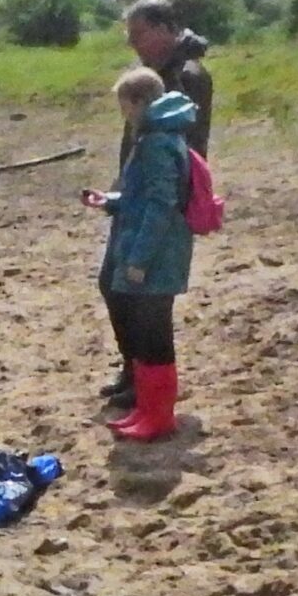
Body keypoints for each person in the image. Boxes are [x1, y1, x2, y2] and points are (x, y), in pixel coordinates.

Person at [101, 0, 215, 407]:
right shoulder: (154, 73)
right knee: (114, 287)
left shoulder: (187, 76)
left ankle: (147, 389)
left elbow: (183, 149)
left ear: (165, 29)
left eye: (139, 35)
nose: (133, 45)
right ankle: (134, 372)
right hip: (136, 196)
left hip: (159, 202)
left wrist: (156, 201)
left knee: (146, 302)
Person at [83, 67, 197, 441]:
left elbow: (162, 205)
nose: (125, 116)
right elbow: (144, 198)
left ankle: (158, 416)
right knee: (149, 337)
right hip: (154, 251)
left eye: (125, 107)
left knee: (155, 336)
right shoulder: (160, 136)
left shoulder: (157, 142)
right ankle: (147, 410)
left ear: (138, 102)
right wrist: (112, 201)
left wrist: (138, 261)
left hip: (156, 257)